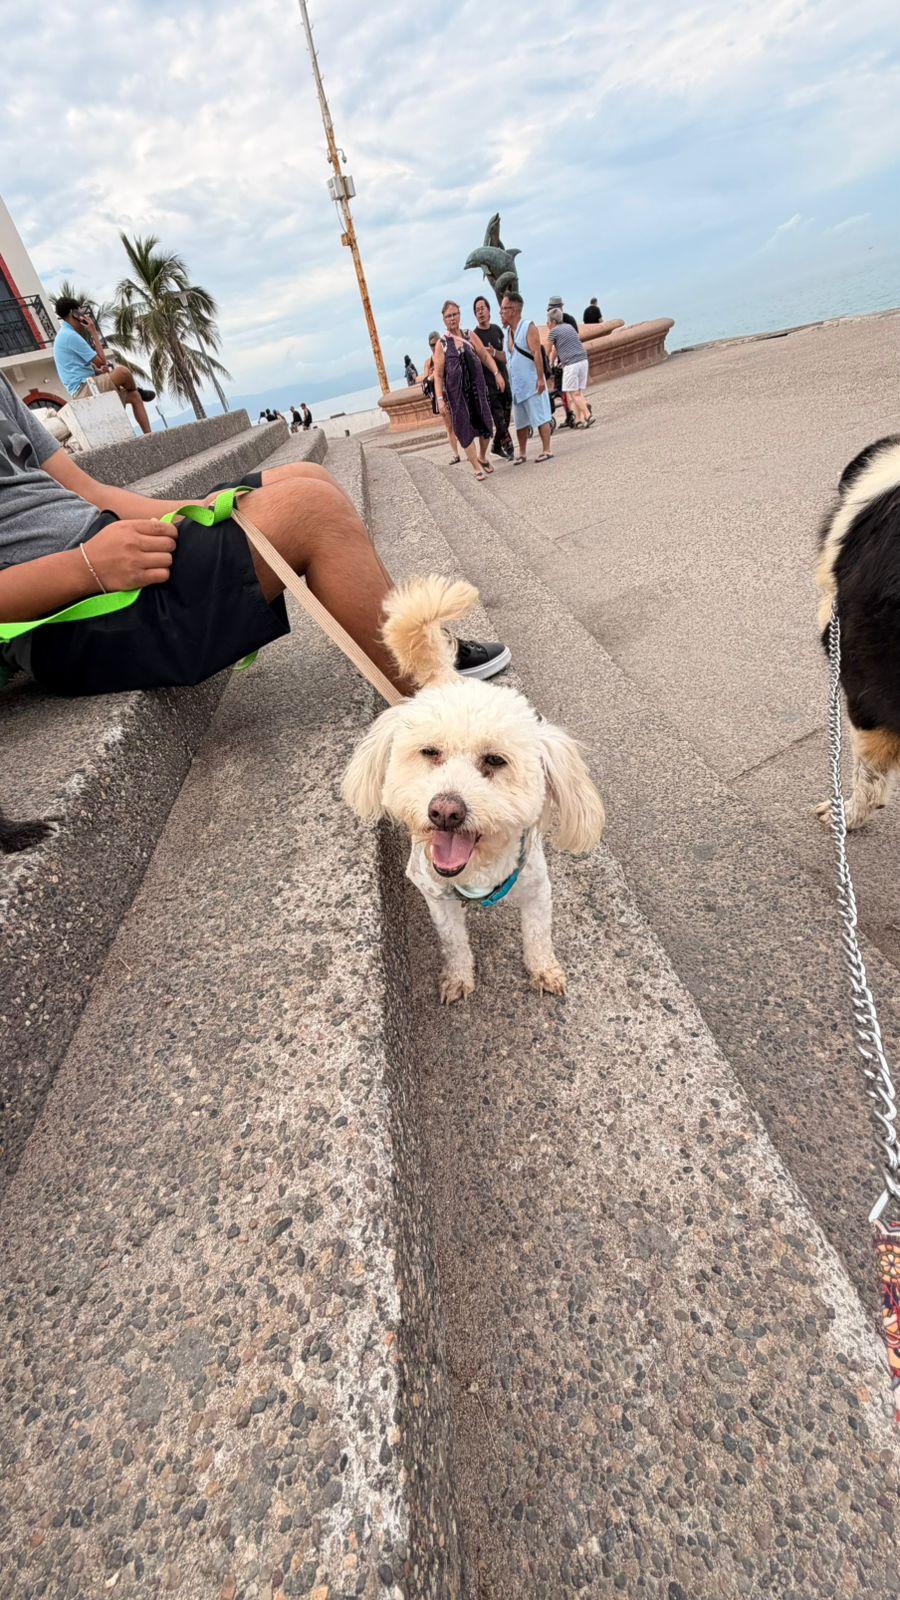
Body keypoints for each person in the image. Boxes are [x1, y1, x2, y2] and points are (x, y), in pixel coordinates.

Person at [0, 376, 512, 697]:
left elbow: (88, 490)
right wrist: (86, 567)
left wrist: (197, 508)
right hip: (63, 611)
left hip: (106, 542)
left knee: (305, 477)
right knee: (311, 511)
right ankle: (436, 708)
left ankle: (412, 643)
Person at [53, 297, 155, 436]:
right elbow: (102, 361)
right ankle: (136, 388)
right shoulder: (70, 336)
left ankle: (149, 436)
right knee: (123, 372)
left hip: (87, 385)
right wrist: (93, 332)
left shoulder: (65, 334)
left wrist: (97, 371)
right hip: (84, 390)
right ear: (73, 313)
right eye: (80, 312)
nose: (83, 315)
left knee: (135, 396)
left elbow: (79, 367)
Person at [432, 301, 503, 482]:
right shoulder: (442, 344)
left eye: (455, 314)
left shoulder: (469, 335)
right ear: (444, 320)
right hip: (458, 396)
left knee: (486, 424)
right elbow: (438, 375)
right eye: (448, 316)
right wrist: (440, 399)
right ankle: (476, 467)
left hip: (477, 391)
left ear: (460, 315)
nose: (452, 318)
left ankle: (482, 457)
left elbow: (484, 355)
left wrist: (496, 373)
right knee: (464, 429)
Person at [500, 292, 553, 464]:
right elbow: (507, 357)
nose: (501, 312)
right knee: (521, 423)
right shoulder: (507, 332)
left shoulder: (528, 327)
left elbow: (537, 353)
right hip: (517, 386)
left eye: (504, 308)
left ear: (513, 310)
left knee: (540, 416)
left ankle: (547, 449)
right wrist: (492, 353)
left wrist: (540, 379)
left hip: (532, 382)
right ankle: (522, 453)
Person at [472, 295, 513, 460]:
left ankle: (496, 445)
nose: (480, 312)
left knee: (507, 414)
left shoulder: (497, 330)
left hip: (504, 379)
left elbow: (506, 354)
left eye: (482, 308)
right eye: (477, 310)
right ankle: (509, 447)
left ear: (489, 311)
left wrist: (494, 353)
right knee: (499, 418)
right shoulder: (474, 336)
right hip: (489, 385)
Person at [546, 309, 593, 428]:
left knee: (574, 394)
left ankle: (587, 415)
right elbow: (557, 349)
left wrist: (546, 363)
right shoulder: (569, 327)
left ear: (553, 321)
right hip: (583, 361)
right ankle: (578, 420)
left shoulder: (553, 332)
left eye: (548, 321)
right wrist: (552, 361)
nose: (547, 324)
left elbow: (548, 350)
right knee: (577, 392)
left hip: (571, 364)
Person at [422, 333, 461, 464]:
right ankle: (456, 454)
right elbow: (425, 380)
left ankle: (467, 449)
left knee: (460, 422)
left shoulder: (446, 354)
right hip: (442, 396)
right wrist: (432, 376)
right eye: (431, 345)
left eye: (436, 343)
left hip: (453, 391)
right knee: (449, 426)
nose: (434, 347)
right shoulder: (429, 362)